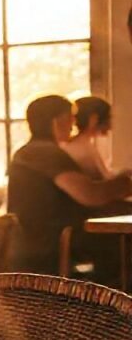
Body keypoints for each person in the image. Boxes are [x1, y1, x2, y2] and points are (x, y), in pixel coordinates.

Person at [8, 95, 132, 277]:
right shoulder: (45, 153)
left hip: (38, 238)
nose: (73, 125)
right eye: (69, 118)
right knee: (121, 244)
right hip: (51, 239)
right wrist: (123, 185)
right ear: (56, 122)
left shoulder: (29, 152)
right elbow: (89, 194)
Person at [62, 96, 123, 180]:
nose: (110, 124)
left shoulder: (82, 144)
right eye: (108, 117)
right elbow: (103, 180)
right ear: (93, 119)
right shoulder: (83, 148)